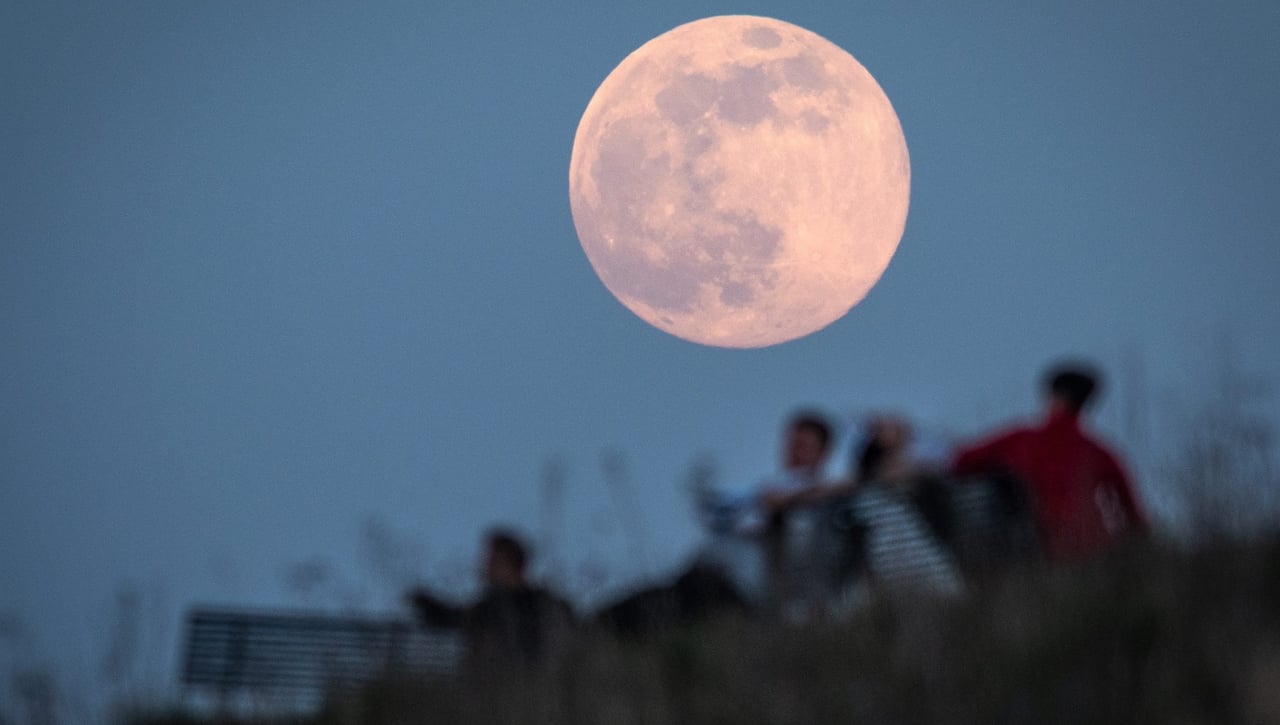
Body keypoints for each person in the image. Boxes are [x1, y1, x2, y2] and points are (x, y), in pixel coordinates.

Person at [951, 362, 1148, 560]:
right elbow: (1135, 517)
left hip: (1036, 551)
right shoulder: (1101, 453)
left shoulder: (1020, 440)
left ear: (1055, 398)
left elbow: (962, 461)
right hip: (1094, 550)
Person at [406, 528, 574, 675]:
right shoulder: (547, 604)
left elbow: (454, 619)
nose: (484, 568)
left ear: (510, 565)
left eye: (492, 561)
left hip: (505, 686)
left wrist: (427, 606)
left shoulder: (501, 607)